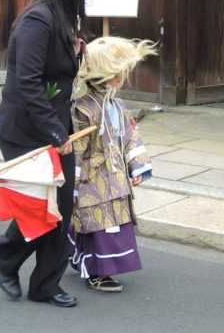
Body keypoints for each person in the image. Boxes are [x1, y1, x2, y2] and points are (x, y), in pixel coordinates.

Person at [0, 0, 94, 309]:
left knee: (61, 209)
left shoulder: (62, 19)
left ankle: (44, 284)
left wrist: (76, 51)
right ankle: (5, 254)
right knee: (39, 208)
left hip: (52, 127)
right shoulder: (38, 20)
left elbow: (54, 71)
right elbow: (29, 83)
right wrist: (56, 133)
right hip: (24, 131)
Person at [68, 36, 157, 293]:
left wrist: (137, 166)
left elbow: (130, 137)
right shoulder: (83, 109)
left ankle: (89, 261)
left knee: (114, 223)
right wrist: (71, 184)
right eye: (115, 73)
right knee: (96, 224)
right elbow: (76, 150)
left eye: (122, 73)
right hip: (91, 176)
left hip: (116, 175)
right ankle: (96, 271)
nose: (120, 78)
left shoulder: (118, 105)